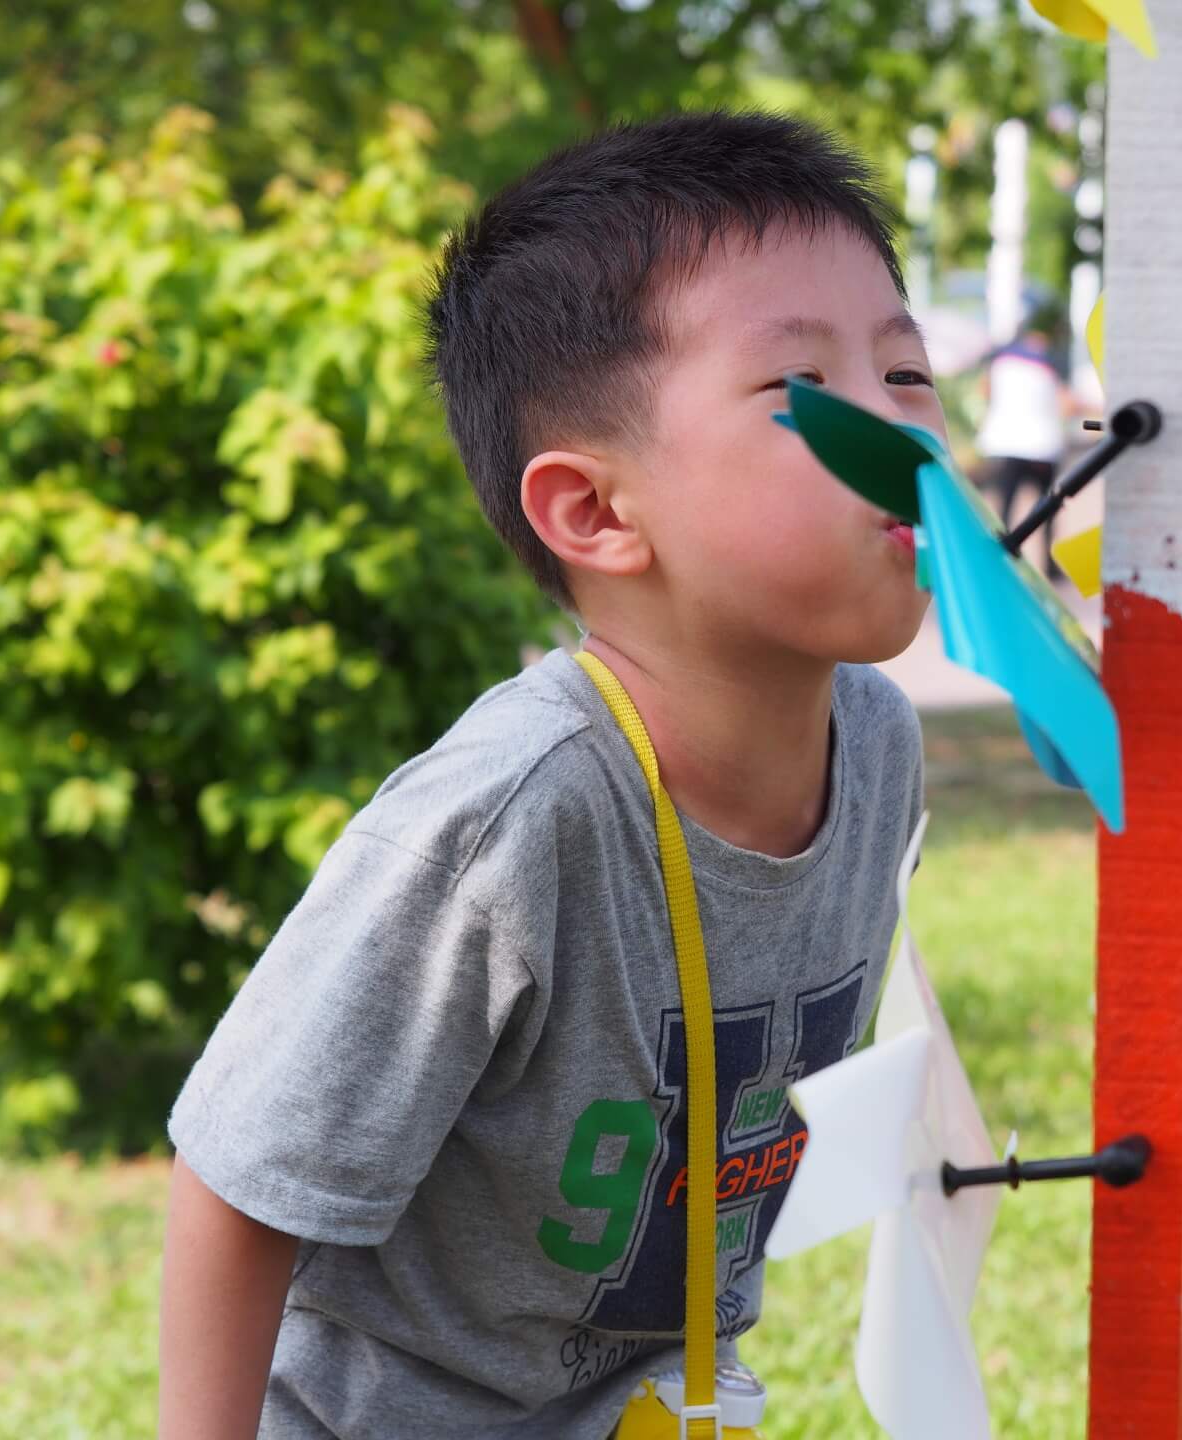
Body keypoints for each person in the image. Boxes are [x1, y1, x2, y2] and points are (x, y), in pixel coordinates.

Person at [156, 111, 933, 1439]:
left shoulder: (879, 747)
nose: (901, 435)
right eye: (804, 392)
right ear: (596, 512)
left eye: (910, 376)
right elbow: (241, 1185)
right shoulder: (506, 821)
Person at [974, 309, 1074, 576]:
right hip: (1042, 445)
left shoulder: (1000, 359)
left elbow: (984, 390)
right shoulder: (1051, 362)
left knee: (1004, 509)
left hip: (1005, 441)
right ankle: (1050, 568)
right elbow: (1067, 404)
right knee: (1048, 509)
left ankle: (1002, 560)